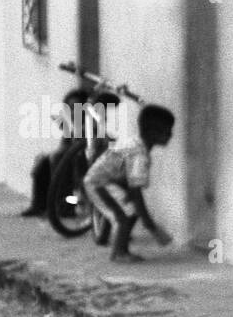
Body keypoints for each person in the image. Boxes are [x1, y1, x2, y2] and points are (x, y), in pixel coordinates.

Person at [82, 104, 175, 262]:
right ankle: (119, 253)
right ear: (153, 133)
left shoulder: (136, 144)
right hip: (99, 184)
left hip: (108, 181)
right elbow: (136, 190)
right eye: (167, 131)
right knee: (124, 215)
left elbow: (125, 176)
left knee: (130, 211)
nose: (171, 135)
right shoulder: (139, 155)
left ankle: (122, 248)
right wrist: (149, 223)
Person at [21, 88, 90, 218]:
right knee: (43, 162)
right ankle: (39, 205)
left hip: (82, 161)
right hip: (68, 159)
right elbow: (65, 146)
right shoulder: (69, 124)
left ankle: (65, 208)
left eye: (76, 107)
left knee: (59, 159)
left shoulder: (90, 123)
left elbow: (83, 147)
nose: (72, 111)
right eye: (69, 107)